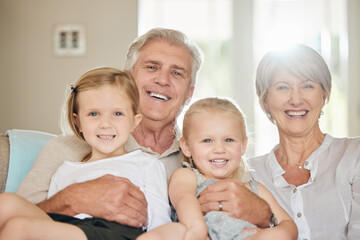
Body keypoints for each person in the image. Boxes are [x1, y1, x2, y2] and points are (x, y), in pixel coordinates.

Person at [17, 28, 272, 230]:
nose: (162, 80)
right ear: (128, 77)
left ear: (189, 93)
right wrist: (71, 199)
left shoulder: (209, 153)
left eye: (177, 73)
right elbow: (14, 221)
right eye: (151, 67)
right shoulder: (67, 149)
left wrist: (262, 213)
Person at [0, 68, 171, 239]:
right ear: (78, 122)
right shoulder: (65, 170)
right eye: (94, 114)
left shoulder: (147, 163)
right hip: (67, 229)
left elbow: (160, 224)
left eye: (117, 113)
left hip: (114, 232)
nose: (105, 124)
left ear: (134, 121)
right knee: (5, 203)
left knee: (19, 228)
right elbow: (51, 220)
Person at [137, 97, 298, 240]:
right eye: (207, 141)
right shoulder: (187, 176)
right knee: (172, 231)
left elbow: (287, 223)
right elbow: (184, 199)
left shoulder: (254, 188)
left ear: (243, 146)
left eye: (229, 140)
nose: (219, 149)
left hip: (243, 237)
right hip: (196, 233)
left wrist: (275, 232)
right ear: (186, 147)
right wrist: (197, 228)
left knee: (280, 234)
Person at [248, 43, 360, 239]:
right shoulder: (248, 174)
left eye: (308, 86)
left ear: (323, 95)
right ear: (265, 100)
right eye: (283, 87)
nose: (296, 99)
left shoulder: (354, 155)